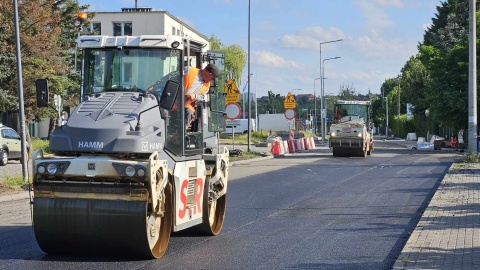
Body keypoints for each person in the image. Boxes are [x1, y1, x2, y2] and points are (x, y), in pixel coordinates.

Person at [184, 63, 220, 129]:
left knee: (189, 113)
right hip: (171, 98)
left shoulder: (207, 86)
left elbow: (202, 97)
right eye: (212, 79)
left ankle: (179, 135)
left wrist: (195, 96)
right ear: (209, 75)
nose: (211, 81)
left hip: (185, 105)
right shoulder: (189, 70)